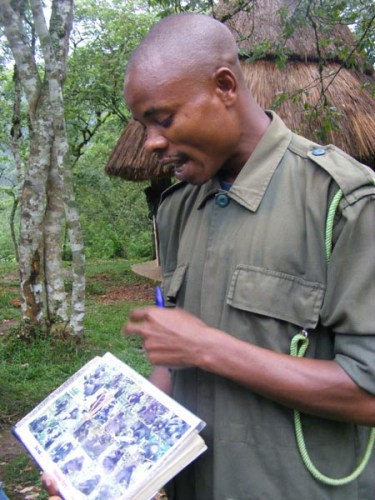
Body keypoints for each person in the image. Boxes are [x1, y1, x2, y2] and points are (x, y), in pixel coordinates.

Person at [44, 12, 375, 500]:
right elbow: (174, 368)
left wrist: (208, 347)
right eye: (142, 125)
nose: (152, 142)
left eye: (163, 118)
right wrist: (99, 463)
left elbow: (367, 394)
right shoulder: (178, 210)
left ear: (224, 87)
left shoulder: (342, 204)